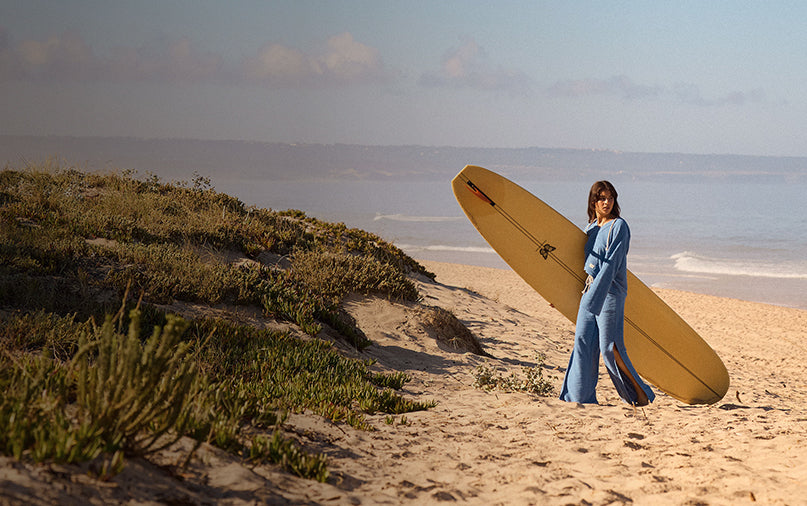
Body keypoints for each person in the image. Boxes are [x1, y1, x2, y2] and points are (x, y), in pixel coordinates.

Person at [559, 181, 654, 406]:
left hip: (610, 292)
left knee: (609, 347)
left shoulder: (619, 226)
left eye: (610, 198)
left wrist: (593, 297)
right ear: (593, 201)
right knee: (582, 340)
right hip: (590, 289)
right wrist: (560, 295)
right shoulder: (590, 228)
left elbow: (611, 265)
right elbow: (580, 266)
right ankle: (579, 395)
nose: (607, 202)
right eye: (602, 198)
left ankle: (639, 394)